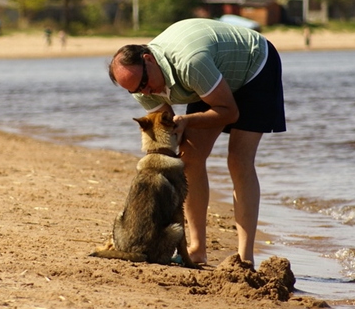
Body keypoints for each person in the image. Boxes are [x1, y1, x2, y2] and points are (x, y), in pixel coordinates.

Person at [108, 18, 286, 266]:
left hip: (254, 66)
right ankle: (197, 249)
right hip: (211, 77)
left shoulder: (191, 63)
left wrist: (187, 119)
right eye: (135, 90)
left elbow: (229, 112)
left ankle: (245, 259)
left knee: (238, 159)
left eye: (144, 84)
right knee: (189, 157)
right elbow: (170, 128)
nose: (145, 92)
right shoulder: (141, 87)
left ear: (149, 59)